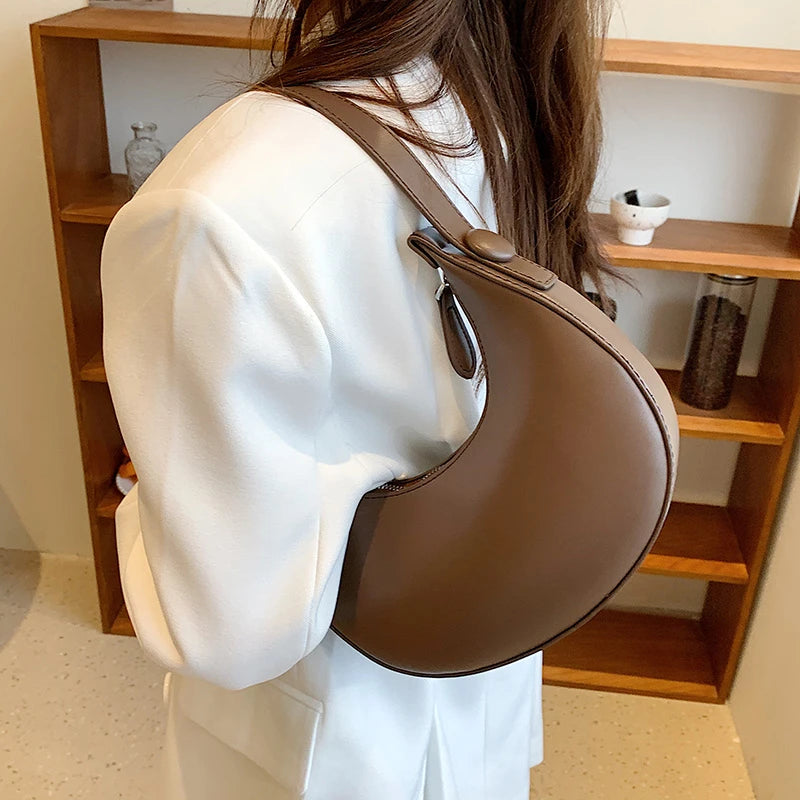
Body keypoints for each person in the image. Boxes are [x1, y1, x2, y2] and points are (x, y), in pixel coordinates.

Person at [100, 1, 616, 797]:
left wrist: (145, 501)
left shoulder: (219, 201)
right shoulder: (502, 103)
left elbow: (227, 632)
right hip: (472, 669)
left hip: (320, 738)